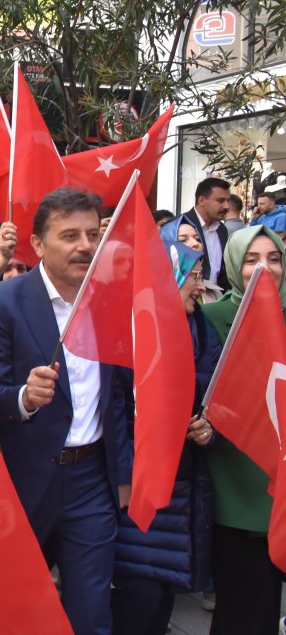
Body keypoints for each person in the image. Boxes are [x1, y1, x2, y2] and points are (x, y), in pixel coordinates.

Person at [0, 187, 133, 635]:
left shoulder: (110, 301)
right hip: (23, 480)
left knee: (90, 612)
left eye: (90, 234)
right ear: (39, 244)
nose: (84, 245)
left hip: (91, 484)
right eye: (69, 236)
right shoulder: (1, 303)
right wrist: (24, 398)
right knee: (12, 609)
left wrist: (123, 474)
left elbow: (118, 397)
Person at [109, 231, 218, 635]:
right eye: (194, 275)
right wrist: (124, 476)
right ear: (170, 276)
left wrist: (210, 428)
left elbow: (221, 400)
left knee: (163, 594)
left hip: (185, 486)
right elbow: (115, 412)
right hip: (141, 486)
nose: (200, 285)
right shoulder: (132, 332)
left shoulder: (204, 332)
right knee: (140, 594)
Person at [199, 226, 286, 635]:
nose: (264, 268)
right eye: (252, 260)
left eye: (273, 258)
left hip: (282, 472)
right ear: (234, 266)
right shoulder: (212, 317)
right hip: (235, 481)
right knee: (243, 606)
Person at [182, 177, 233, 290]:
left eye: (228, 201)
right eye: (220, 201)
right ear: (202, 201)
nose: (226, 206)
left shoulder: (222, 229)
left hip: (215, 298)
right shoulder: (179, 226)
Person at [160, 215, 223, 304]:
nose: (195, 243)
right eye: (183, 240)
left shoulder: (214, 292)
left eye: (198, 239)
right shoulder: (155, 297)